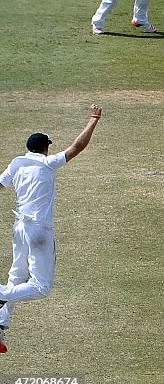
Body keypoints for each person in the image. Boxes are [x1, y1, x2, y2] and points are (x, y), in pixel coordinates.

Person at [0, 105, 103, 353]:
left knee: (16, 278)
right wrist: (93, 120)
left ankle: (0, 325)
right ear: (45, 148)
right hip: (39, 231)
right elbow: (77, 148)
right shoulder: (48, 163)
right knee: (40, 287)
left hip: (19, 229)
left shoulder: (16, 163)